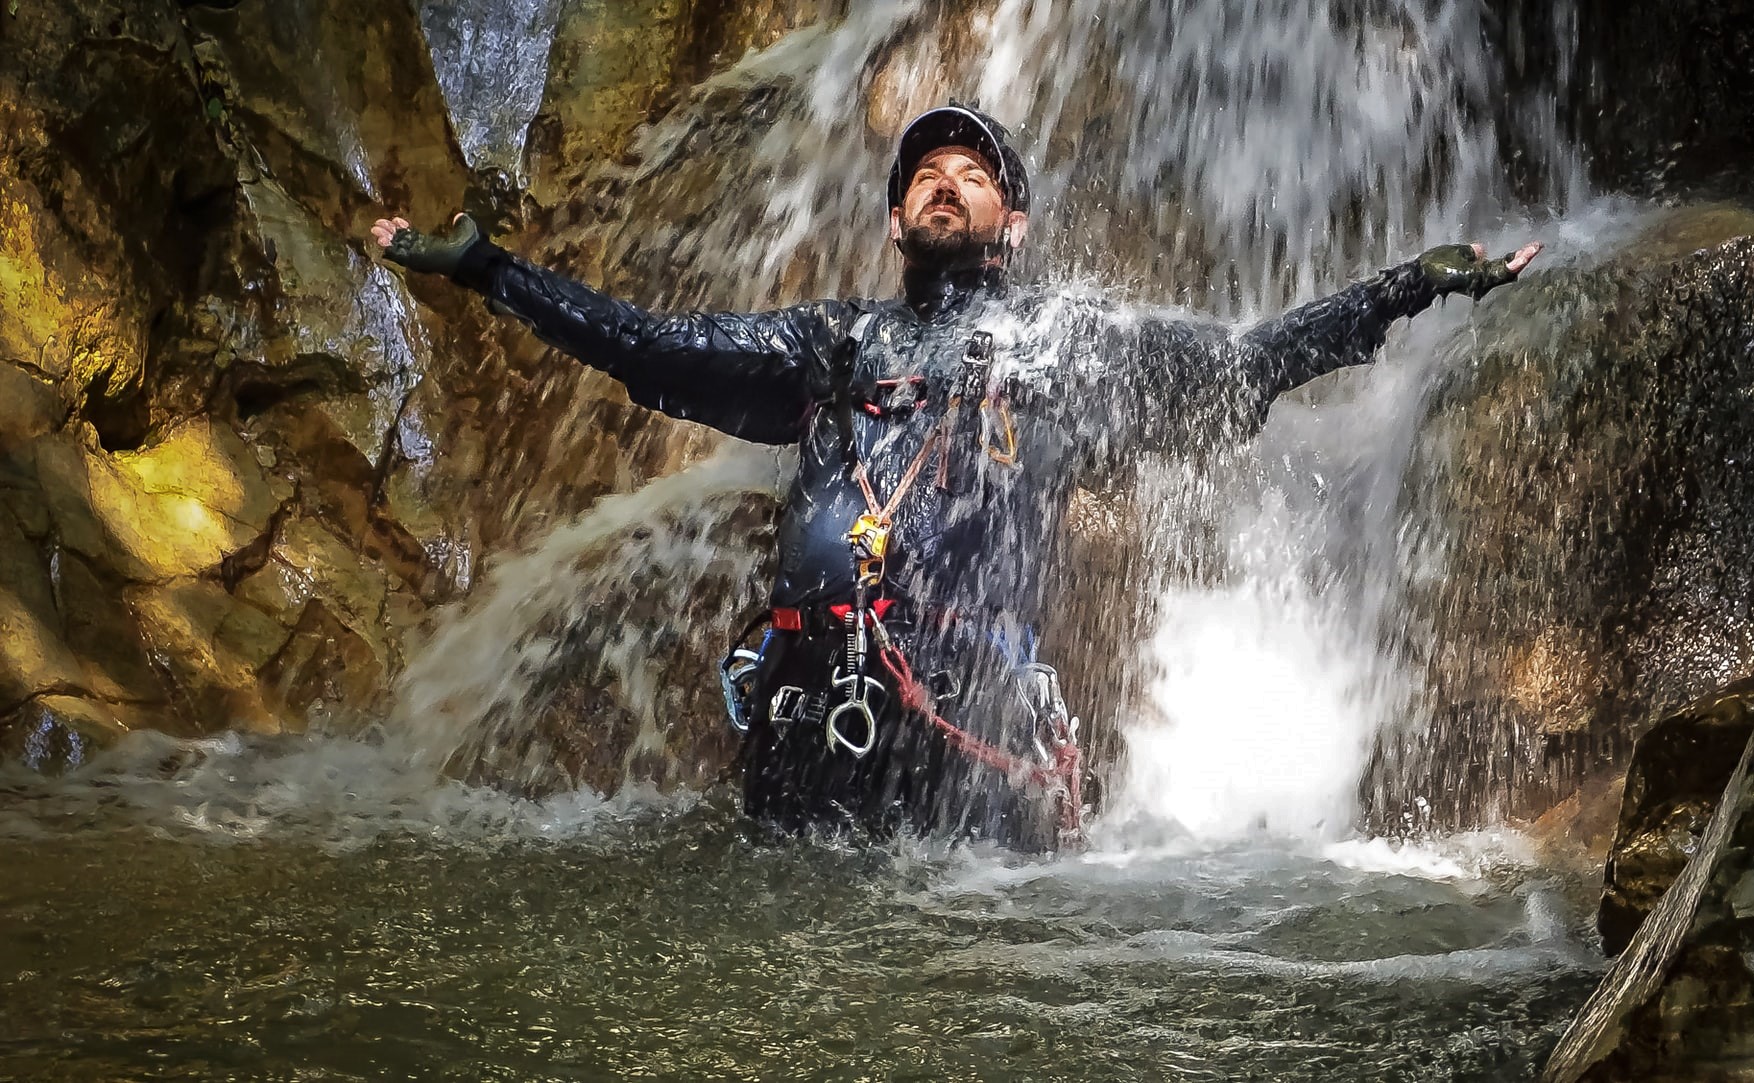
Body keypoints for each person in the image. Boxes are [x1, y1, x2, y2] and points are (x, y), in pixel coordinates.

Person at [372, 103, 1541, 851]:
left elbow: (1244, 368)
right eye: (924, 173)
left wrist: (1401, 288)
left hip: (972, 746)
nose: (944, 181)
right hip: (801, 727)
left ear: (1014, 222)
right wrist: (488, 271)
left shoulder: (1069, 352)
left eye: (971, 173)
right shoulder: (827, 346)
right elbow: (648, 349)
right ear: (892, 223)